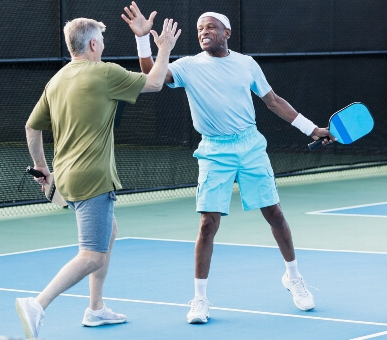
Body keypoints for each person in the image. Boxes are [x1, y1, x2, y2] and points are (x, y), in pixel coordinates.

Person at [122, 2, 336, 324]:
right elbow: (152, 75)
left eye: (210, 27)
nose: (203, 32)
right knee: (208, 224)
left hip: (250, 146)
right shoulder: (188, 66)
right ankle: (199, 300)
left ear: (227, 33)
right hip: (213, 151)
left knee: (274, 214)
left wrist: (313, 129)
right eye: (199, 30)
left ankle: (293, 277)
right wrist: (142, 40)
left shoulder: (247, 64)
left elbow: (273, 101)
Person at [15, 14, 181, 339]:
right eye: (101, 41)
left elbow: (31, 128)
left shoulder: (57, 80)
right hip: (93, 178)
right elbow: (156, 82)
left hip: (67, 178)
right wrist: (164, 49)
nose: (103, 46)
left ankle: (95, 309)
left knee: (110, 231)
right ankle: (37, 305)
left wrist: (42, 169)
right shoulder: (103, 73)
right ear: (93, 44)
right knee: (91, 255)